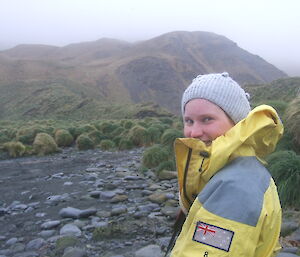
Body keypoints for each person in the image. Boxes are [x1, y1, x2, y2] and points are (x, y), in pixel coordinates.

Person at [170, 72, 283, 257]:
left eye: (207, 119)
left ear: (237, 123)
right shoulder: (230, 168)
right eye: (189, 121)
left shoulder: (236, 187)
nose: (194, 132)